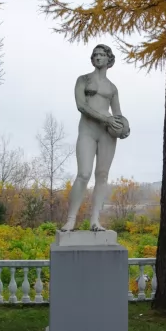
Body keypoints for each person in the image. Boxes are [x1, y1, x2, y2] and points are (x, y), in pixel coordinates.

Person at [60, 44, 130, 232]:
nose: (98, 57)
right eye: (95, 55)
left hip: (107, 134)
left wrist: (125, 127)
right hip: (88, 131)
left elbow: (118, 113)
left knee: (102, 176)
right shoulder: (83, 80)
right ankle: (71, 219)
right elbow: (81, 106)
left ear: (109, 59)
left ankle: (95, 220)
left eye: (102, 55)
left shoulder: (112, 88)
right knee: (83, 174)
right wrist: (106, 119)